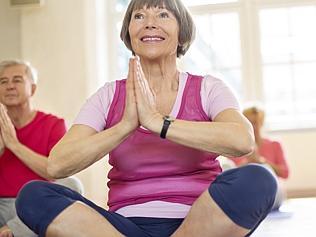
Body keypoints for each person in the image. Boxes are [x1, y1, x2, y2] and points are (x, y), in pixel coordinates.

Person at [16, 1, 277, 237]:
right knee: (33, 196)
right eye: (139, 16)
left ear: (181, 31)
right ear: (129, 33)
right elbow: (57, 164)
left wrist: (158, 123)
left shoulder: (208, 88)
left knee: (259, 179)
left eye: (163, 14)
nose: (150, 22)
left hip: (202, 220)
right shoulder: (108, 95)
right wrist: (124, 127)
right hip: (123, 227)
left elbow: (242, 140)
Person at [0, 60, 83, 237]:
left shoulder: (54, 124)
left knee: (72, 184)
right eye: (3, 82)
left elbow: (54, 172)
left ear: (33, 89)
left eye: (17, 80)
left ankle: (13, 230)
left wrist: (13, 145)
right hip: (1, 205)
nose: (9, 86)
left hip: (38, 204)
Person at [231, 105, 290, 210]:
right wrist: (247, 162)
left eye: (255, 122)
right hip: (246, 193)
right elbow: (229, 176)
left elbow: (285, 173)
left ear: (261, 123)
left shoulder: (274, 145)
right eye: (249, 123)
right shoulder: (236, 148)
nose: (252, 127)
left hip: (271, 192)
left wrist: (261, 161)